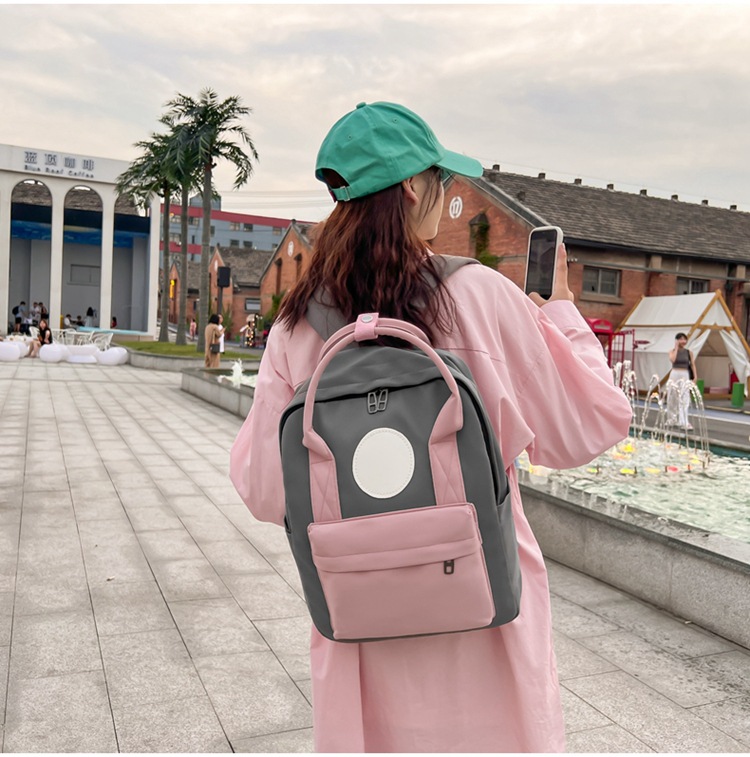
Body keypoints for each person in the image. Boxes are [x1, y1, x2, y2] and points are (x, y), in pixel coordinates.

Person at [229, 101, 632, 753]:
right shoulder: (482, 294)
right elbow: (590, 425)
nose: (444, 197)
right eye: (442, 182)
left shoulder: (298, 324)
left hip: (362, 623)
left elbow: (263, 490)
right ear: (415, 188)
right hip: (483, 613)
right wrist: (558, 310)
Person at [667, 332, 697, 429]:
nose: (683, 341)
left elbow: (692, 364)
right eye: (680, 339)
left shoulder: (689, 352)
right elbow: (673, 360)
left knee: (684, 397)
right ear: (676, 340)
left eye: (684, 339)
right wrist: (676, 347)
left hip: (685, 374)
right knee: (672, 396)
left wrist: (695, 376)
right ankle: (672, 419)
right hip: (674, 373)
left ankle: (684, 421)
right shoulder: (671, 351)